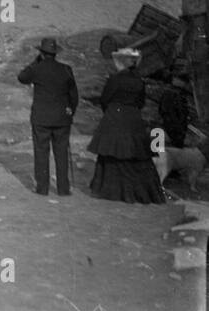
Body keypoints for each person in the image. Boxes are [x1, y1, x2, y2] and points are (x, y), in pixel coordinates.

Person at [88, 48, 163, 204]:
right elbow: (141, 102)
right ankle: (139, 193)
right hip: (133, 119)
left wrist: (110, 112)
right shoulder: (139, 81)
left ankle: (108, 190)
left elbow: (105, 99)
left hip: (114, 116)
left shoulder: (114, 79)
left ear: (120, 63)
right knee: (136, 156)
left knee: (110, 154)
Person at [16, 37, 79, 196]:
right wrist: (71, 111)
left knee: (41, 152)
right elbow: (74, 96)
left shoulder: (36, 69)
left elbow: (22, 77)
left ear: (41, 53)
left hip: (41, 118)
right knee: (62, 152)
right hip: (62, 118)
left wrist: (35, 61)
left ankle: (42, 188)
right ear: (56, 53)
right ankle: (63, 189)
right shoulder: (66, 69)